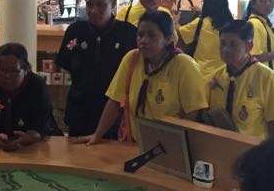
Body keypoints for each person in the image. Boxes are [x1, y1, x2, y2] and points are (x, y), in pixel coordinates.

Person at [77, 10, 208, 145]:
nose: (144, 41)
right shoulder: (132, 59)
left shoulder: (184, 65)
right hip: (135, 143)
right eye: (140, 35)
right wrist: (98, 134)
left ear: (168, 39)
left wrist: (174, 145)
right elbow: (115, 101)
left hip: (171, 146)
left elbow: (193, 113)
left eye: (152, 35)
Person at [56, 0, 137, 138]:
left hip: (114, 113)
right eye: (89, 4)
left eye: (101, 5)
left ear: (113, 3)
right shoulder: (76, 31)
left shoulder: (128, 33)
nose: (94, 10)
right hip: (80, 111)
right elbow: (65, 62)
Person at [206, 20, 274, 138]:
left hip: (252, 146)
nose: (226, 49)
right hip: (220, 143)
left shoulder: (266, 78)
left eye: (233, 44)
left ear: (249, 46)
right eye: (223, 43)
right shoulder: (217, 76)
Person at [0, 42, 58, 152]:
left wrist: (28, 138)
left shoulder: (37, 85)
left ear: (26, 70)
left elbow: (43, 123)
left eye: (14, 71)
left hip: (34, 147)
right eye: (2, 70)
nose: (7, 76)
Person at [177, 0, 234, 78]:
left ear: (206, 4)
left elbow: (180, 33)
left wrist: (175, 22)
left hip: (200, 76)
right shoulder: (231, 25)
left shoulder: (199, 23)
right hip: (223, 77)